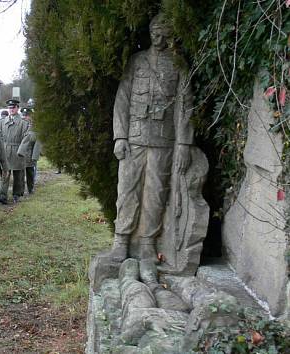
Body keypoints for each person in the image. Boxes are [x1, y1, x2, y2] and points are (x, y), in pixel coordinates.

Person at [106, 13, 194, 262]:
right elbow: (122, 100)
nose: (158, 38)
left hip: (164, 140)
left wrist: (184, 144)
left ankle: (147, 242)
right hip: (133, 138)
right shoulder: (136, 62)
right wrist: (119, 136)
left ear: (171, 36)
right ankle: (122, 239)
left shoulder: (179, 65)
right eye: (155, 33)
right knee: (127, 190)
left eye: (163, 34)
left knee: (156, 192)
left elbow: (184, 106)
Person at [0, 99, 29, 204]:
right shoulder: (2, 122)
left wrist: (21, 150)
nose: (11, 110)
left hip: (17, 150)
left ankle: (16, 194)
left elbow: (27, 137)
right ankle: (2, 195)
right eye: (9, 108)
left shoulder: (23, 123)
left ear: (17, 108)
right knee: (5, 173)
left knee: (18, 174)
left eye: (13, 108)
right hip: (5, 150)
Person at [18, 107, 41, 195]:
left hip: (30, 153)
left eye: (26, 115)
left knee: (30, 172)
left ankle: (30, 188)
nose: (24, 117)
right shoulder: (19, 124)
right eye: (23, 115)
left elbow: (38, 142)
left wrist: (35, 156)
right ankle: (20, 191)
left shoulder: (35, 126)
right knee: (20, 173)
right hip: (20, 153)